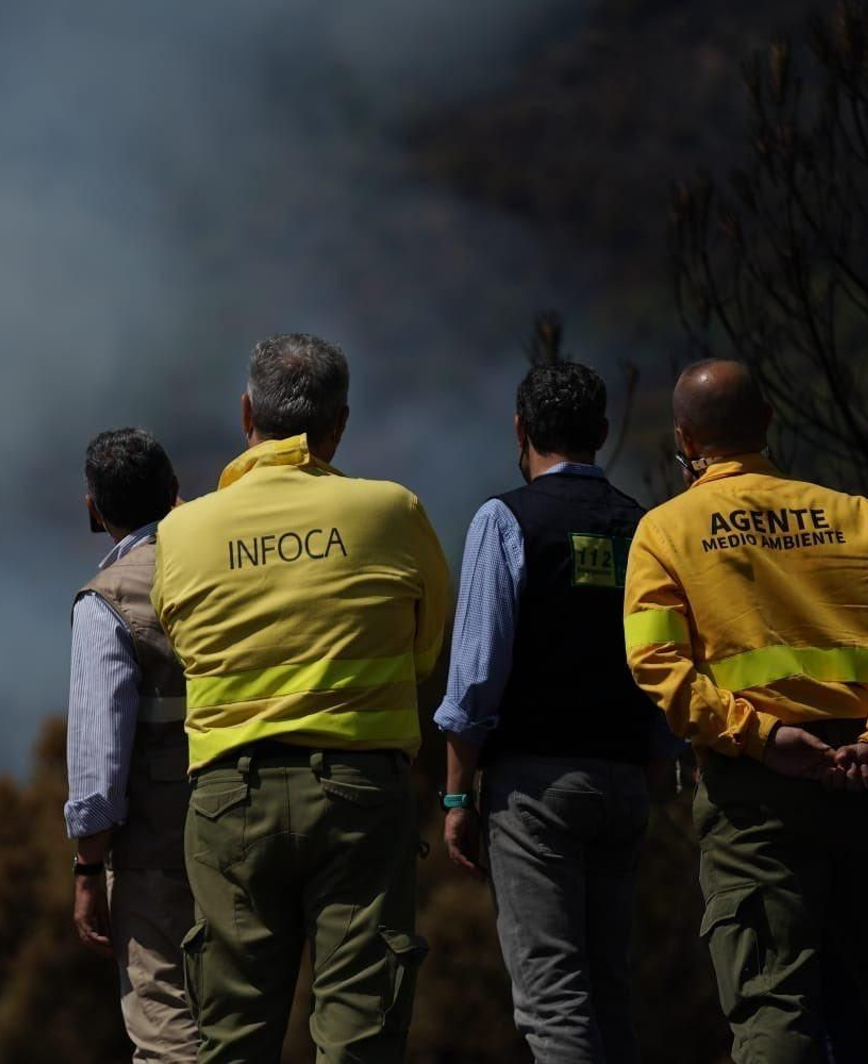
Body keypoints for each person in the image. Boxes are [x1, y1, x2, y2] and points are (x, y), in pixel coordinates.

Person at [622, 358, 868, 1063]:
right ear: (768, 422)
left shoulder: (664, 531)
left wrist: (762, 737)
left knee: (775, 1007)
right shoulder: (857, 517)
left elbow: (658, 665)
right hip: (865, 785)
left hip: (755, 796)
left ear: (685, 438)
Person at [150, 333, 451, 1062]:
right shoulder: (392, 511)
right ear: (340, 423)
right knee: (359, 1038)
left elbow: (177, 641)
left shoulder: (181, 530)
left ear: (245, 411)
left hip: (227, 800)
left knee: (230, 1040)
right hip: (358, 797)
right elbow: (426, 650)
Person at [435, 360, 678, 1063]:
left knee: (553, 1000)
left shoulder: (505, 519)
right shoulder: (645, 526)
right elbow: (664, 659)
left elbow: (476, 675)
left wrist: (457, 792)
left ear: (520, 429)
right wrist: (654, 766)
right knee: (609, 992)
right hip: (625, 782)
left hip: (536, 787)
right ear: (602, 433)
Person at [65, 427, 198, 1063]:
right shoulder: (221, 566)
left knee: (166, 1022)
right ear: (175, 492)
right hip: (247, 816)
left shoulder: (107, 602)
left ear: (94, 509)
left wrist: (88, 868)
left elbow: (99, 757)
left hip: (154, 846)